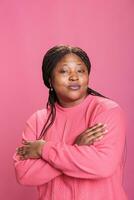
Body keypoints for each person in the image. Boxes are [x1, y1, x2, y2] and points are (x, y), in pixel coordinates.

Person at [13, 45, 127, 200]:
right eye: (64, 71)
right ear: (50, 80)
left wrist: (43, 149)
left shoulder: (107, 111)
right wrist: (76, 147)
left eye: (81, 71)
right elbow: (24, 174)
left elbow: (102, 165)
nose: (74, 77)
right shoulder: (37, 120)